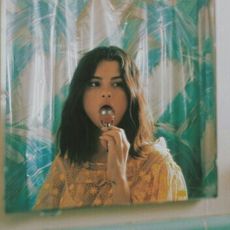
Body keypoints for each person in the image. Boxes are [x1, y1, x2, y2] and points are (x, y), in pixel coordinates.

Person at [34, 46, 187, 210]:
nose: (106, 92)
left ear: (131, 95)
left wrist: (118, 177)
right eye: (95, 83)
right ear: (80, 95)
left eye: (117, 84)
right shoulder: (66, 163)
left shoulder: (158, 166)